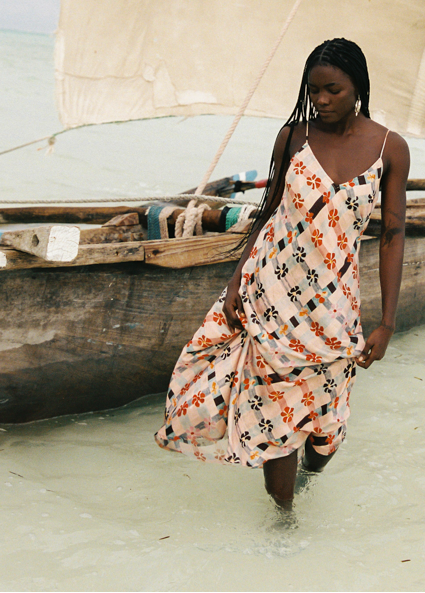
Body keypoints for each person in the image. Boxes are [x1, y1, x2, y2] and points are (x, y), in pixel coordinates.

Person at [155, 38, 409, 508]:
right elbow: (267, 212)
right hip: (271, 292)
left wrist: (388, 321)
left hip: (334, 306)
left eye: (332, 89)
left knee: (325, 425)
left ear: (358, 86)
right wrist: (235, 283)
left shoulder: (390, 149)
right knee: (276, 414)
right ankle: (282, 529)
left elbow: (393, 235)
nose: (321, 100)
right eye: (314, 91)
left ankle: (311, 479)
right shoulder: (293, 138)